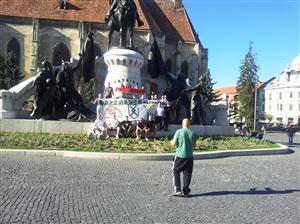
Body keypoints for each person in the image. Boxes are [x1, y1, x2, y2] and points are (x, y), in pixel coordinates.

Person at [170, 118, 197, 197]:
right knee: (187, 173)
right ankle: (186, 190)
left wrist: (171, 142)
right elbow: (194, 146)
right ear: (189, 124)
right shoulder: (192, 133)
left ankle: (177, 189)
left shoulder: (178, 132)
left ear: (182, 124)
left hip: (180, 156)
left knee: (175, 171)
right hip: (189, 156)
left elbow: (173, 143)